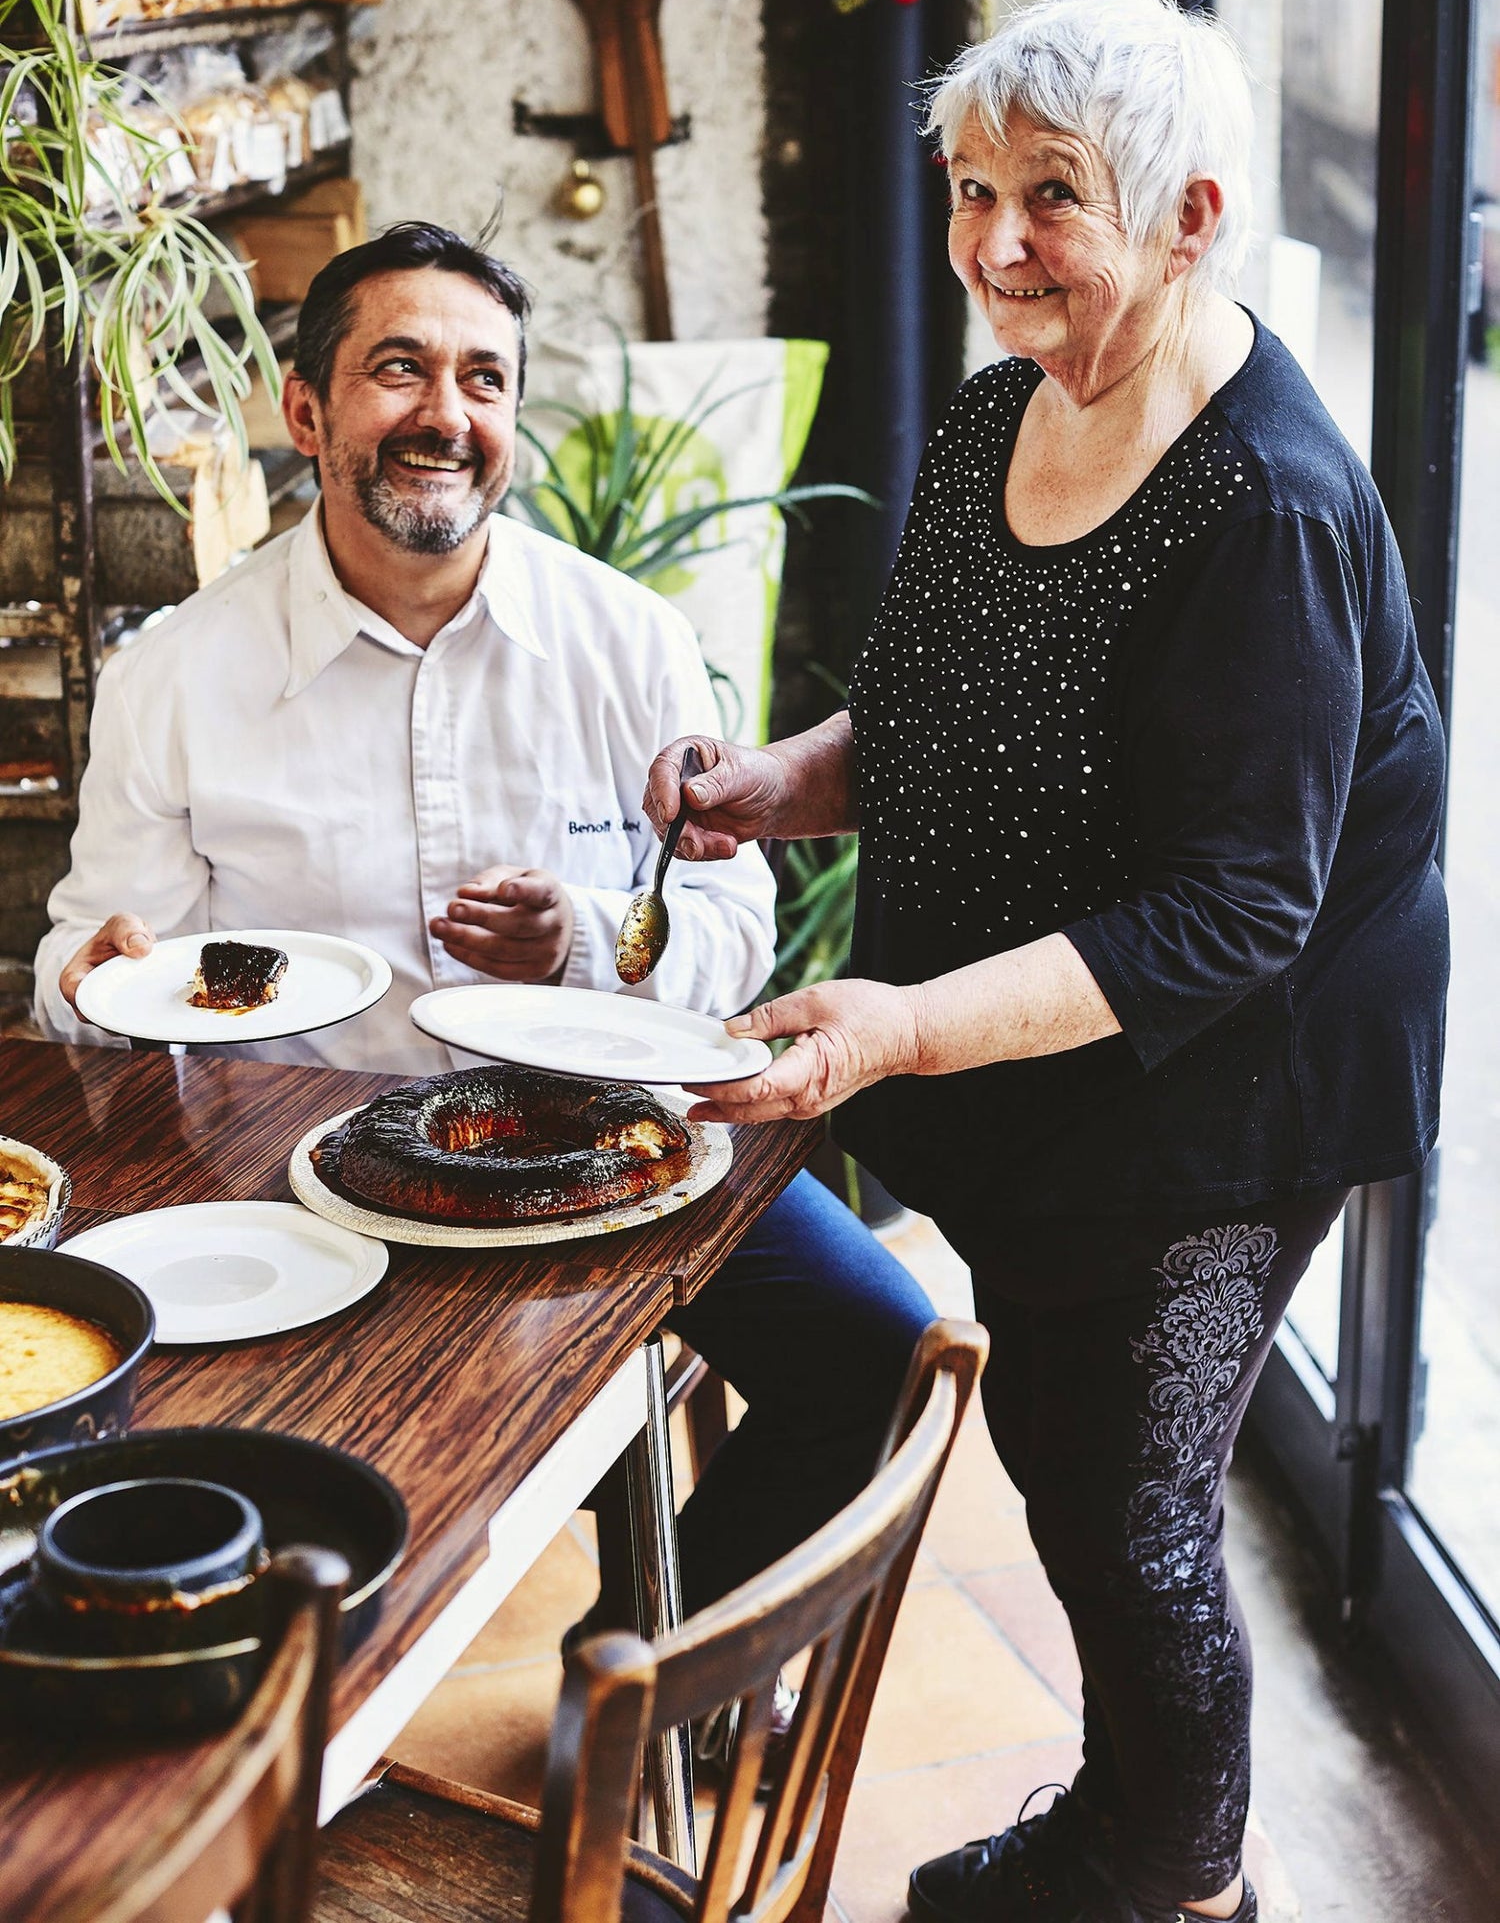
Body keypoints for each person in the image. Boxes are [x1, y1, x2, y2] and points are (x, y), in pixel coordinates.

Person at [643, 0, 1448, 1923]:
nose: (998, 245)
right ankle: (1140, 1835)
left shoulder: (1266, 506)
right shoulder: (1009, 398)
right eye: (972, 191)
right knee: (1066, 1439)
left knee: (1126, 1508)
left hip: (1227, 1080)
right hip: (1039, 1037)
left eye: (1057, 199)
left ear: (1190, 217)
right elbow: (927, 718)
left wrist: (898, 1027)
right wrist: (771, 789)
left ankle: (1176, 1879)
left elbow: (1237, 908)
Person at [34, 220, 935, 1624]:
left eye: (484, 379)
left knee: (888, 1348)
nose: (445, 415)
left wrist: (585, 940)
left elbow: (729, 925)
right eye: (399, 370)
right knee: (268, 1449)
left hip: (612, 1159)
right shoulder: (179, 677)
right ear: (307, 409)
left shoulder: (626, 638)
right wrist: (89, 977)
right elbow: (91, 968)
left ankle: (645, 1660)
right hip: (304, 1174)